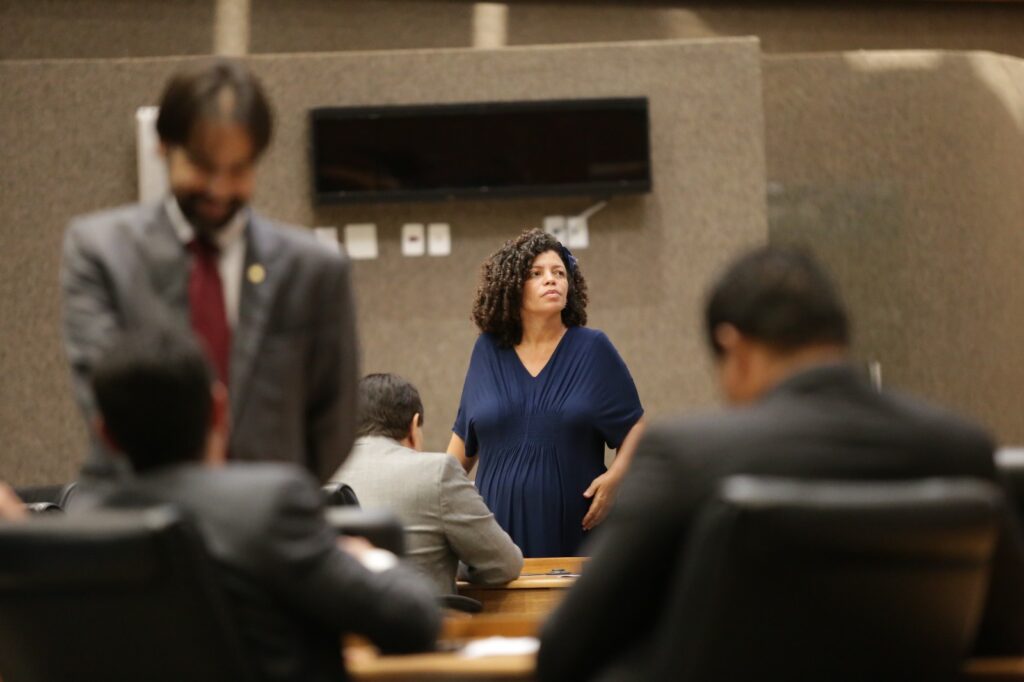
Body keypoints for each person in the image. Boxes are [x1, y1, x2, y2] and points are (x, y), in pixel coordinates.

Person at [537, 246, 1024, 681]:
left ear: (734, 348)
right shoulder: (959, 449)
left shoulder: (687, 457)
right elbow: (1008, 636)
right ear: (837, 333)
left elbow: (566, 649)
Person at [85, 323, 440, 682]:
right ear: (219, 411)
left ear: (105, 434)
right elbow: (413, 620)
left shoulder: (86, 526)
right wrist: (369, 558)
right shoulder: (269, 504)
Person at [61, 59, 357, 483]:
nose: (218, 189)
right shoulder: (101, 252)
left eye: (237, 170)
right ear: (163, 146)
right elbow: (105, 400)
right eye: (201, 166)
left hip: (265, 527)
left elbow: (334, 422)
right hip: (137, 517)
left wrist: (268, 506)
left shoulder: (315, 269)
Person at [448, 229, 645, 557]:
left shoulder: (593, 348)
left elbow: (636, 427)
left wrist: (617, 478)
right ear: (511, 287)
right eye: (536, 274)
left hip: (575, 532)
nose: (551, 280)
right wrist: (435, 499)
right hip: (494, 538)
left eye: (559, 273)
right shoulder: (486, 351)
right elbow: (462, 444)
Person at [332, 373, 523, 595]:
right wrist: (454, 564)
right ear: (414, 427)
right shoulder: (438, 472)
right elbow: (504, 564)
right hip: (422, 624)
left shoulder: (322, 475)